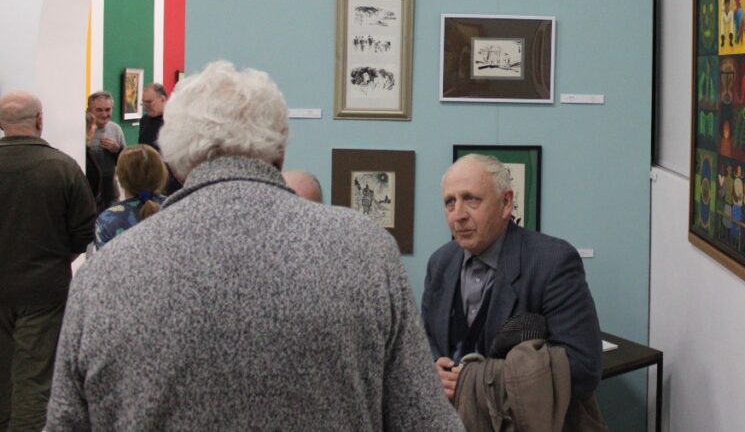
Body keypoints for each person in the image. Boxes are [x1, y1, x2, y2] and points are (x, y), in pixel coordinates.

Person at [46, 61, 461, 430]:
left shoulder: (104, 275)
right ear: (280, 149)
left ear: (172, 161)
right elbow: (424, 419)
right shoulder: (365, 251)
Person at [421, 154, 603, 410]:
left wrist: (476, 385)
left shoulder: (552, 262)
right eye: (450, 202)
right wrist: (431, 371)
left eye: (471, 199)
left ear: (506, 202)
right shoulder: (440, 262)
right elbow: (426, 340)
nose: (458, 215)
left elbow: (582, 368)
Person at [0, 91, 95, 431]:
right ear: (40, 120)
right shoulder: (62, 168)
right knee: (34, 379)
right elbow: (84, 232)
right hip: (44, 290)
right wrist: (56, 258)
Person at [93, 145, 168, 250]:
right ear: (162, 174)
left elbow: (103, 260)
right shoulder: (177, 206)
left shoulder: (108, 220)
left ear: (120, 178)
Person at [138, 83, 182, 194]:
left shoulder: (176, 120)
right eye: (143, 103)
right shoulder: (144, 121)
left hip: (171, 181)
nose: (146, 106)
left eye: (149, 102)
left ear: (162, 99)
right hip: (149, 180)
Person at [87, 91, 125, 210]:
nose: (104, 114)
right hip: (88, 194)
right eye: (99, 110)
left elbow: (125, 163)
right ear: (89, 110)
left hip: (110, 193)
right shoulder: (82, 129)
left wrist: (117, 150)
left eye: (108, 110)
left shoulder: (116, 129)